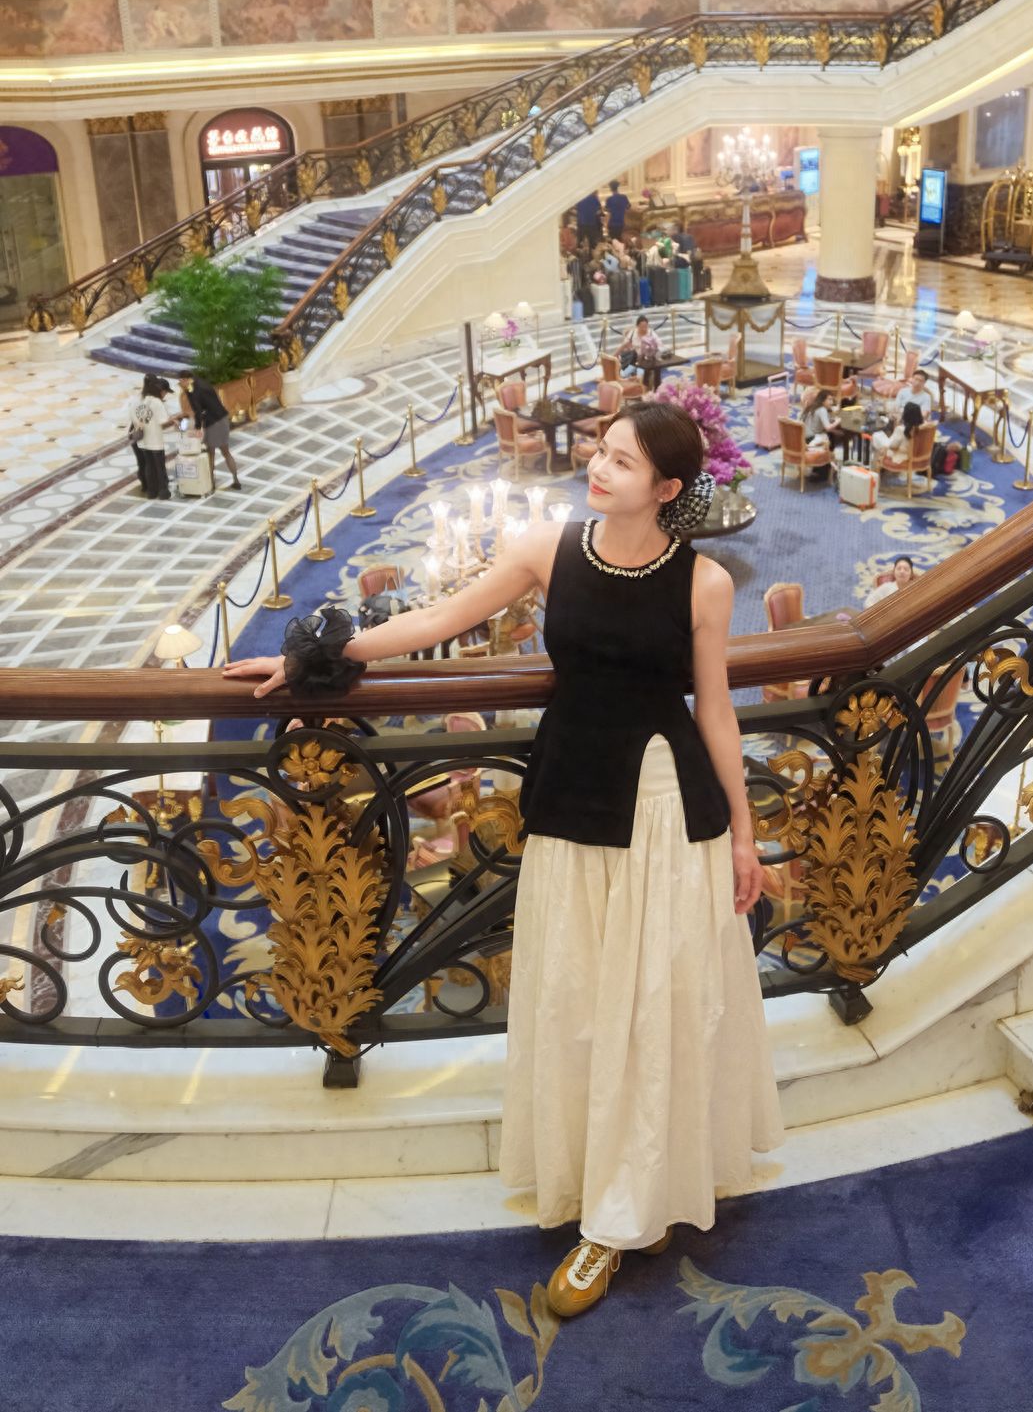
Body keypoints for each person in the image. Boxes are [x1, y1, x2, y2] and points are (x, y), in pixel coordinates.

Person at [224, 402, 784, 1320]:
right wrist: (320, 659)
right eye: (600, 452)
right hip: (569, 795)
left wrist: (746, 832)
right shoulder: (548, 545)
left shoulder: (705, 584)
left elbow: (715, 711)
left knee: (650, 1003)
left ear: (669, 489)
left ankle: (619, 1215)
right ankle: (584, 1169)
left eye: (623, 462)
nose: (597, 469)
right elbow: (443, 615)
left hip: (661, 805)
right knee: (576, 997)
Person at [179, 373, 242, 491]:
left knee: (210, 453)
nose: (180, 385)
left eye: (180, 382)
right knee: (226, 452)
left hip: (212, 423)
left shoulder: (192, 390)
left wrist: (197, 428)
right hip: (222, 418)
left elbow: (197, 411)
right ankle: (236, 480)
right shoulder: (201, 382)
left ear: (185, 380)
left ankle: (211, 483)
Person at [124, 374, 172, 501]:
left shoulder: (137, 400)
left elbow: (133, 418)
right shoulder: (156, 402)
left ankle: (151, 492)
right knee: (159, 466)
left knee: (148, 465)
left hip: (142, 440)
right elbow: (163, 421)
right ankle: (163, 492)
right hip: (155, 439)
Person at [870, 400, 925, 469]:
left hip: (901, 457)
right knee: (880, 436)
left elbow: (892, 446)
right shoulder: (923, 428)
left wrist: (897, 425)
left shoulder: (901, 429)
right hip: (914, 455)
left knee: (876, 436)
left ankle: (874, 468)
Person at [619, 314, 663, 388]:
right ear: (637, 326)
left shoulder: (651, 333)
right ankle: (640, 385)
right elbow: (624, 345)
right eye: (642, 327)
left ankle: (648, 385)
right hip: (634, 359)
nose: (644, 329)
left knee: (645, 371)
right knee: (628, 373)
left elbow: (659, 344)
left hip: (648, 359)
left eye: (645, 326)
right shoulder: (633, 333)